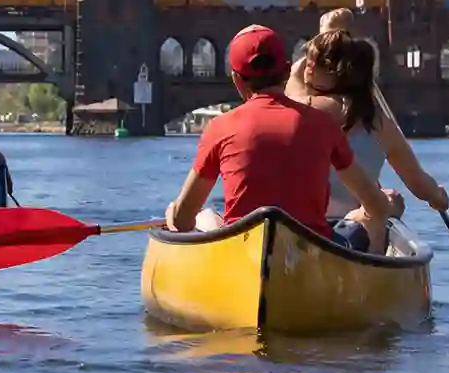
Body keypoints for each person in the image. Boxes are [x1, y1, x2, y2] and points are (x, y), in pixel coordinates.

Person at [165, 24, 393, 253]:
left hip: (243, 252)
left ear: (236, 79)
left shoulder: (219, 128)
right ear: (286, 72)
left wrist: (172, 213)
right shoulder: (324, 125)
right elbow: (376, 207)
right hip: (312, 251)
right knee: (365, 219)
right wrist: (376, 207)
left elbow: (183, 221)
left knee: (206, 216)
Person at [288, 9, 449, 221]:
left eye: (313, 62)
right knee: (393, 202)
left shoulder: (305, 109)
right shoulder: (379, 124)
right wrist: (438, 196)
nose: (308, 66)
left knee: (390, 201)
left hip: (305, 226)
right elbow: (419, 183)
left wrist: (327, 35)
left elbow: (295, 76)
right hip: (352, 226)